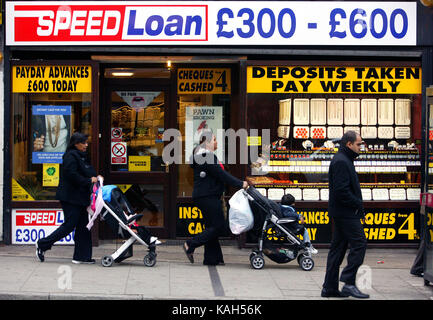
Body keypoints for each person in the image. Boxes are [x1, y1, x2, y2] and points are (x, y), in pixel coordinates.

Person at [183, 129, 248, 265]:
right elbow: (221, 175)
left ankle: (212, 258)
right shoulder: (206, 156)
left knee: (212, 227)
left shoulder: (204, 156)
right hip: (208, 197)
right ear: (207, 142)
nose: (216, 142)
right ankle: (190, 244)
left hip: (205, 196)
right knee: (219, 227)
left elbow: (219, 173)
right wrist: (240, 183)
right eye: (214, 140)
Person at [36, 132, 99, 264]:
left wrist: (96, 177)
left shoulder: (81, 156)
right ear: (76, 144)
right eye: (84, 143)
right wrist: (88, 180)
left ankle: (82, 256)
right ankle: (42, 244)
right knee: (70, 225)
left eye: (87, 142)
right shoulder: (70, 156)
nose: (86, 145)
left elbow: (89, 171)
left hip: (80, 197)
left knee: (84, 226)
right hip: (70, 197)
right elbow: (72, 175)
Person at [321, 130, 369, 299]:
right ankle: (348, 282)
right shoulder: (342, 161)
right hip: (346, 213)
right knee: (359, 244)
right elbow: (341, 191)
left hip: (342, 212)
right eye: (358, 144)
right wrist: (357, 203)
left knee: (338, 249)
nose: (360, 147)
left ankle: (329, 287)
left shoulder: (344, 159)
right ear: (349, 144)